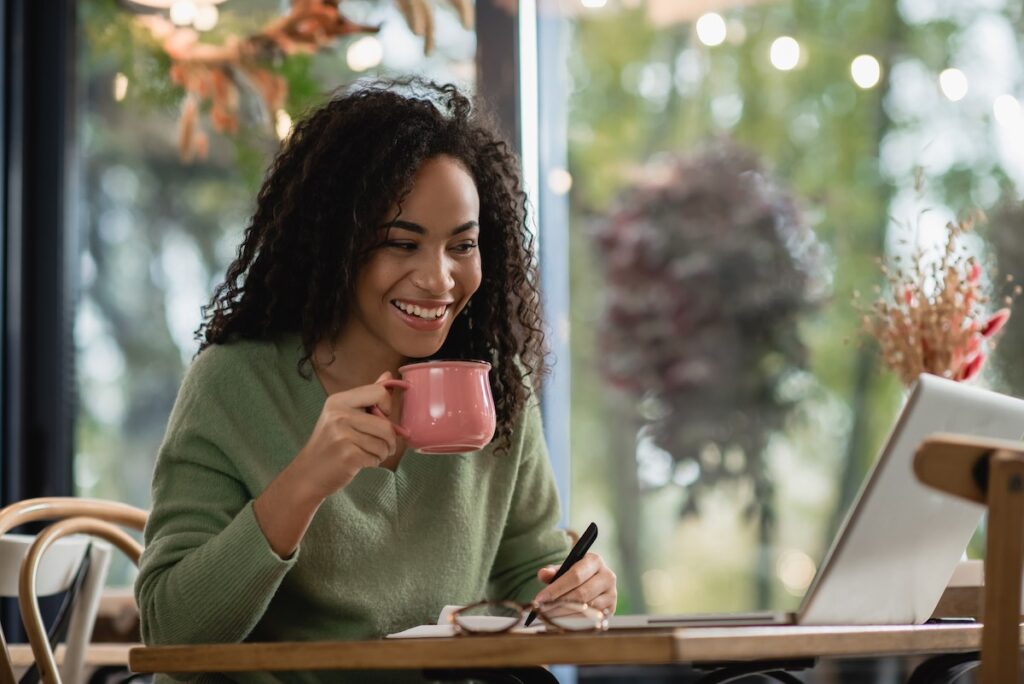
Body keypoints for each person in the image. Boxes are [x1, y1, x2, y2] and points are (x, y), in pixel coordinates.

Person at [134, 79, 617, 683]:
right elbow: (170, 627)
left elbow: (530, 571)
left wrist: (573, 591)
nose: (439, 279)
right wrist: (307, 480)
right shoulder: (237, 382)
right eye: (402, 243)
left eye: (462, 245)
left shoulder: (496, 389)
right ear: (338, 245)